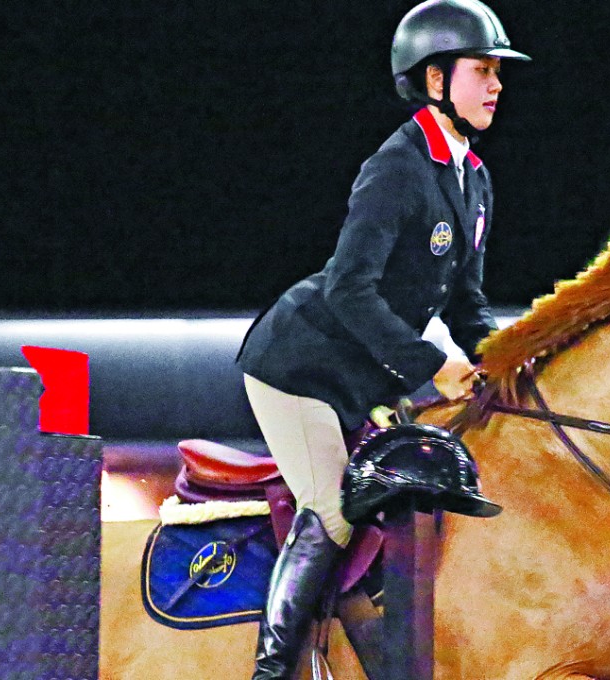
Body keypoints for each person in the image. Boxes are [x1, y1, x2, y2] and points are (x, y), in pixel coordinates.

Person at [237, 1, 529, 677]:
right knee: (332, 509)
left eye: (497, 72)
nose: (496, 84)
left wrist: (508, 361)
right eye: (482, 70)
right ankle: (271, 669)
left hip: (362, 380)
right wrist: (433, 366)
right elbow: (348, 289)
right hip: (298, 370)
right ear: (435, 80)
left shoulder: (475, 179)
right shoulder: (396, 167)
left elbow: (468, 304)